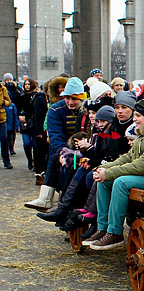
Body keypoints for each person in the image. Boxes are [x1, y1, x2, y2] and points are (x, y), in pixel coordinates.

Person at [83, 98, 144, 250]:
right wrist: (103, 168)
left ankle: (115, 232)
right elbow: (128, 157)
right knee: (104, 181)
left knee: (121, 182)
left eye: (138, 115)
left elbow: (142, 166)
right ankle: (103, 227)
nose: (134, 119)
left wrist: (110, 172)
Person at [25, 77, 90, 210]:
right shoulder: (55, 109)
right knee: (55, 158)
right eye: (67, 98)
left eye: (74, 98)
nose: (70, 102)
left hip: (85, 147)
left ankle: (61, 199)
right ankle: (46, 198)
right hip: (62, 147)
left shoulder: (89, 109)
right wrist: (65, 151)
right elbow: (55, 135)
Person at [0, 78, 11, 169]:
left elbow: (9, 102)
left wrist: (3, 101)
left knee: (4, 138)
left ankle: (6, 160)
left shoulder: (3, 89)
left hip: (1, 118)